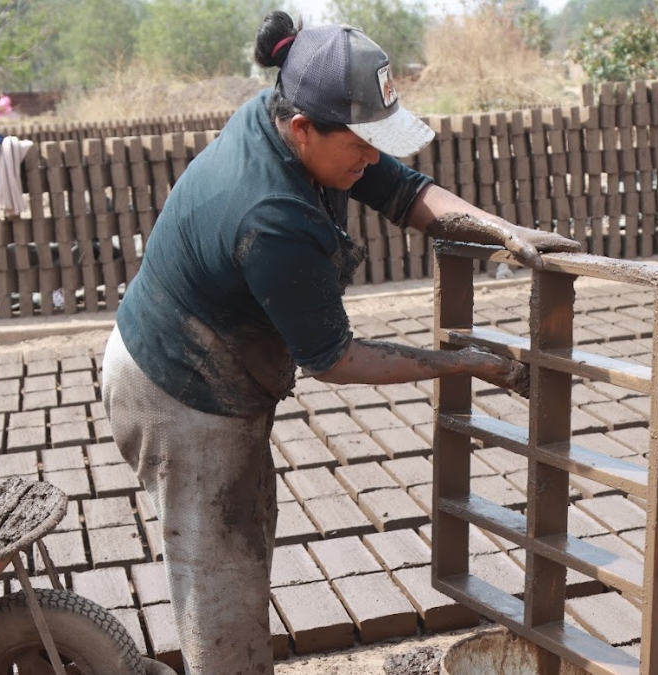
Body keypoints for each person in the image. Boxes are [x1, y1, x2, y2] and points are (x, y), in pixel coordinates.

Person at [100, 11, 581, 675]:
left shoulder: (293, 126)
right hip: (178, 393)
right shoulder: (271, 216)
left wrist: (503, 231)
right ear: (303, 128)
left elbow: (404, 189)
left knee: (242, 535)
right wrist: (469, 363)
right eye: (362, 141)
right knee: (220, 574)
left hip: (212, 364)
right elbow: (335, 358)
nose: (373, 156)